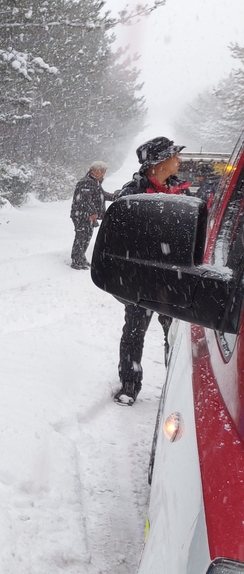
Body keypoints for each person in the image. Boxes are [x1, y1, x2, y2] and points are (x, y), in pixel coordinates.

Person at [113, 136, 187, 405]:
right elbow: (116, 241)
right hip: (140, 282)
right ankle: (129, 385)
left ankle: (174, 390)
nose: (178, 160)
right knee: (134, 332)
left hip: (175, 281)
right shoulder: (131, 194)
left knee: (176, 337)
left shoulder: (183, 192)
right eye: (173, 156)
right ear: (157, 164)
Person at [69, 161, 112, 269]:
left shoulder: (95, 182)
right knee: (81, 237)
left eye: (104, 171)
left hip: (87, 215)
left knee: (86, 237)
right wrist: (92, 213)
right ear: (93, 170)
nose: (103, 173)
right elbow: (85, 200)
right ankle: (76, 261)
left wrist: (117, 196)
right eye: (101, 171)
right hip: (82, 215)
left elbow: (102, 195)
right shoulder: (86, 182)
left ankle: (81, 258)